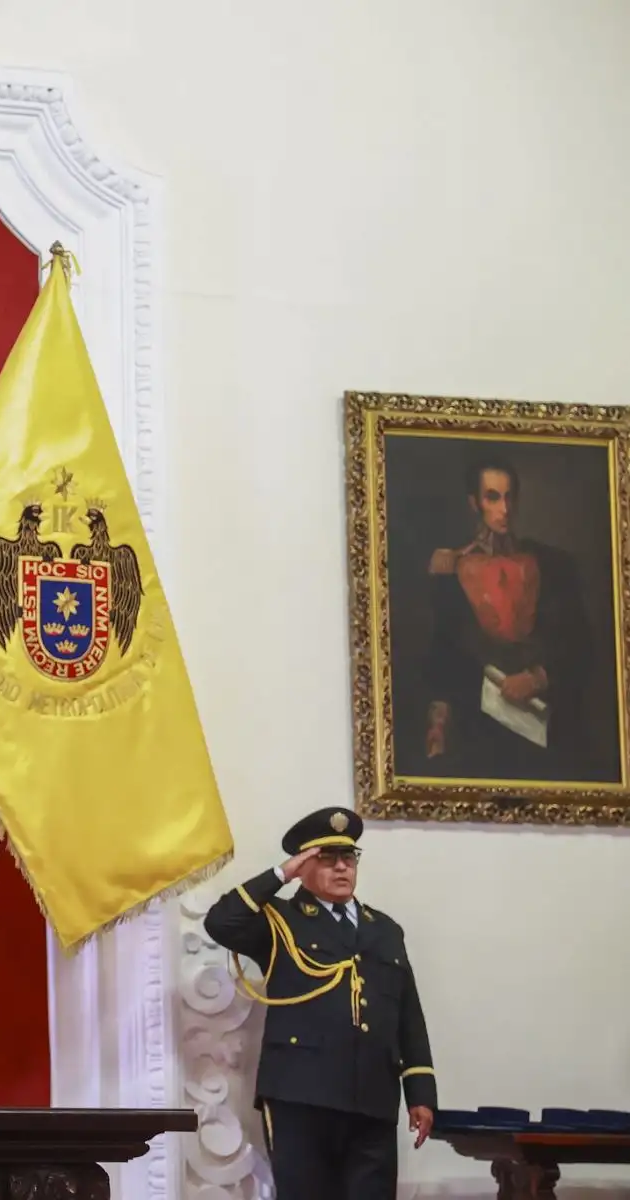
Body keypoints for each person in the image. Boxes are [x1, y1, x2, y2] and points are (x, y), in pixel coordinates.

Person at [203, 808, 436, 1199]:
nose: (342, 868)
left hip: (373, 1097)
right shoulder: (280, 921)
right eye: (327, 860)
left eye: (349, 858)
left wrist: (421, 1095)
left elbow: (407, 1015)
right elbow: (221, 922)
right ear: (304, 865)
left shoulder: (385, 930)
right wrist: (281, 874)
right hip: (302, 1096)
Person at [422, 455, 602, 781]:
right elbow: (443, 656)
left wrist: (537, 678)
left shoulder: (552, 564)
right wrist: (437, 725)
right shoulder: (450, 569)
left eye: (509, 497)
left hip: (548, 727)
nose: (504, 509)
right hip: (480, 730)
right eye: (493, 497)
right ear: (474, 502)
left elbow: (582, 645)